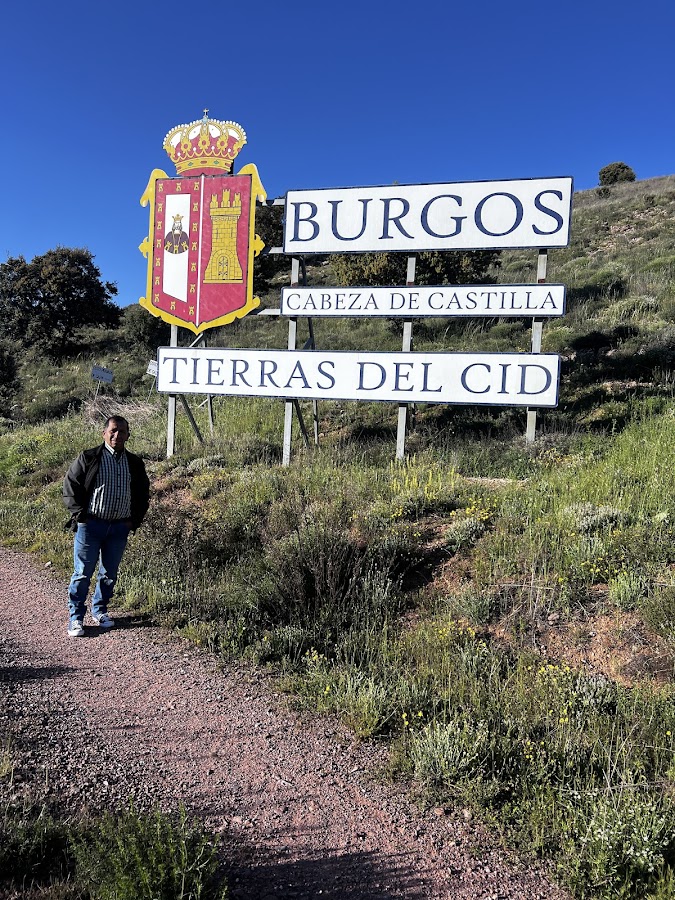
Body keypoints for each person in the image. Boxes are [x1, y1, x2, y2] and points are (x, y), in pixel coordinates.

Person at [63, 416, 150, 637]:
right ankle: (76, 618)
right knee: (82, 573)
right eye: (113, 430)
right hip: (91, 526)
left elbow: (142, 494)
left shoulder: (134, 463)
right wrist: (80, 515)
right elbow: (71, 485)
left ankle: (100, 610)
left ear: (128, 435)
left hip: (119, 528)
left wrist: (134, 520)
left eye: (122, 431)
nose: (117, 435)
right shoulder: (90, 457)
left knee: (109, 573)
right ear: (104, 433)